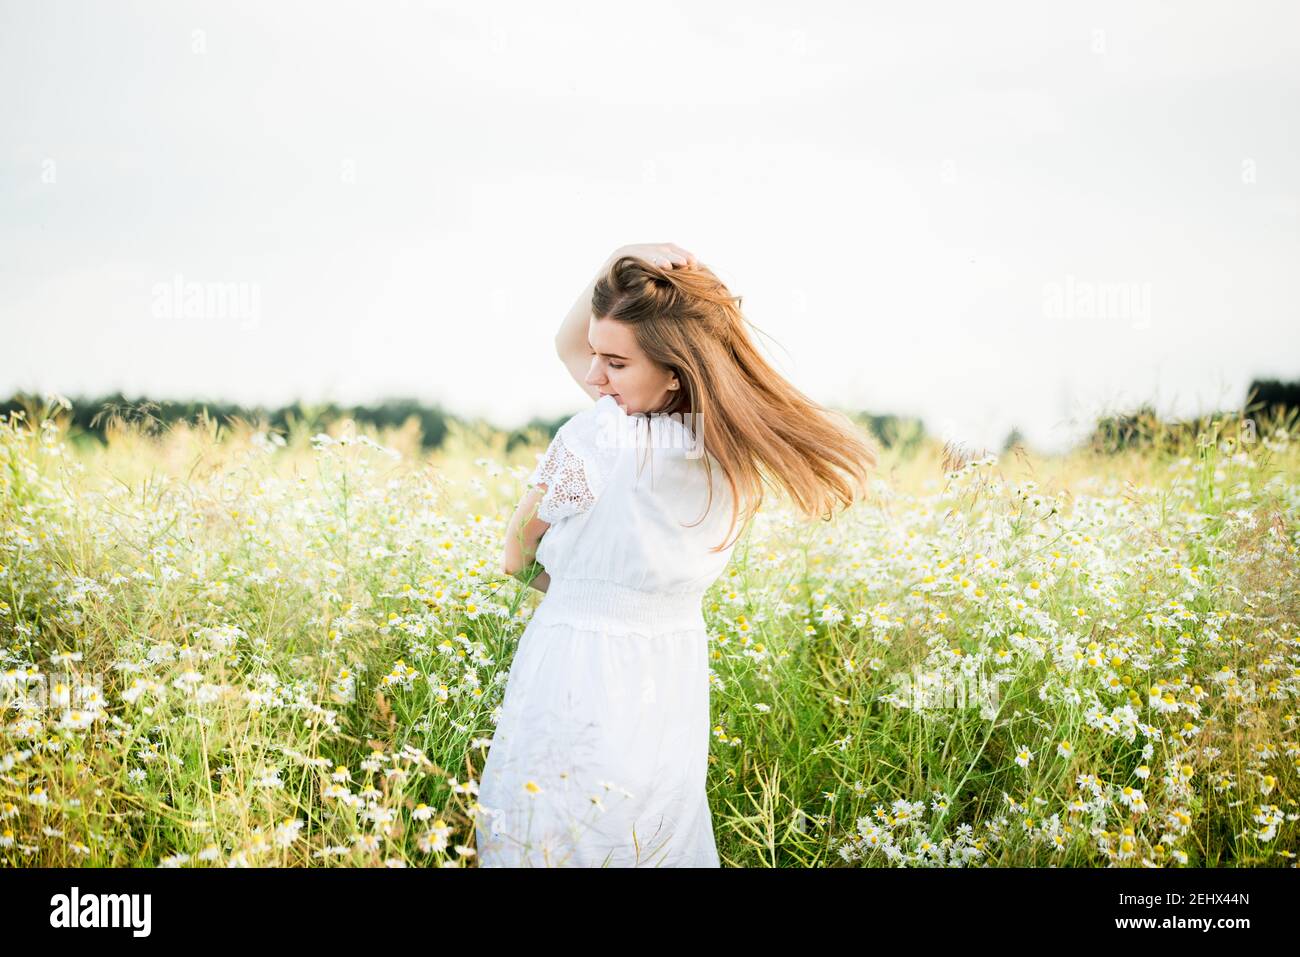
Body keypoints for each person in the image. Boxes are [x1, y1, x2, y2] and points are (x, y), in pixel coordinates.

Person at [473, 243, 878, 867]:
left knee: (551, 829)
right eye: (597, 355)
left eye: (613, 362)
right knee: (649, 831)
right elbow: (579, 347)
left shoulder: (597, 437)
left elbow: (515, 553)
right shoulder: (732, 453)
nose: (592, 377)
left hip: (577, 659)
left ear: (675, 371)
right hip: (671, 669)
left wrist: (579, 593)